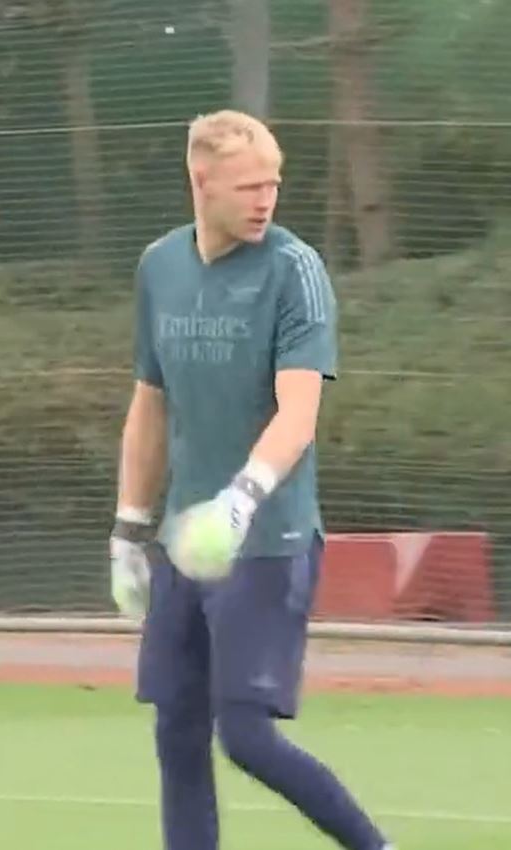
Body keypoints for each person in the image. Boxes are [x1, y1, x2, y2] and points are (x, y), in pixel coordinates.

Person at [110, 110, 394, 850]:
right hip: (181, 545)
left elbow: (298, 414)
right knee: (175, 728)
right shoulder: (160, 267)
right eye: (248, 186)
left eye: (273, 183)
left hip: (268, 538)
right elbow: (149, 402)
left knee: (245, 736)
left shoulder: (294, 269)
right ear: (200, 182)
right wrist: (128, 529)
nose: (266, 199)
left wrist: (238, 505)